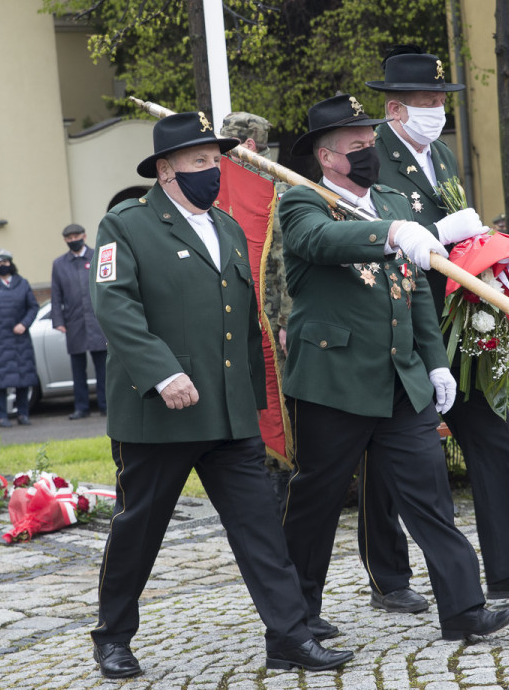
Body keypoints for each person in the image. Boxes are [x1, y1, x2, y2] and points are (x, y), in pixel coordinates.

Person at [87, 111, 351, 678]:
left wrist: (250, 396)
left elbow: (243, 321)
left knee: (261, 530)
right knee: (139, 530)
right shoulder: (126, 225)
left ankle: (289, 637)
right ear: (166, 170)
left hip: (228, 413)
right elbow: (115, 306)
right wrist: (162, 373)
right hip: (160, 413)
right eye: (200, 161)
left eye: (216, 160)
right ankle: (112, 636)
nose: (214, 170)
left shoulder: (226, 227)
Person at [278, 92, 509, 641]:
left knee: (430, 497)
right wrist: (388, 233)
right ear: (327, 157)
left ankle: (464, 609)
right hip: (334, 382)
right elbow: (319, 241)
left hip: (400, 381)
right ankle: (297, 615)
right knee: (315, 504)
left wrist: (435, 364)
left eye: (370, 141)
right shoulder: (303, 202)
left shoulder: (390, 199)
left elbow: (415, 294)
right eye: (357, 145)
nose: (370, 152)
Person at [361, 50, 509, 614]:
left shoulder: (443, 154)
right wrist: (438, 229)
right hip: (402, 321)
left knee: (491, 435)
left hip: (458, 315)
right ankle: (389, 579)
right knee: (390, 455)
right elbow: (370, 231)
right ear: (395, 109)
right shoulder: (371, 154)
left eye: (442, 100)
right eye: (428, 101)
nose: (439, 110)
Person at [219, 111, 293, 509]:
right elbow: (283, 263)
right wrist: (285, 319)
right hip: (263, 319)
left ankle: (267, 486)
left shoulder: (207, 188)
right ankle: (274, 486)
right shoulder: (271, 189)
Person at [0, 248, 39, 427]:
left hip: (20, 340)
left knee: (23, 379)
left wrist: (24, 324)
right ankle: (2, 416)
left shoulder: (22, 283)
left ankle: (23, 414)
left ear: (11, 263)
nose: (2, 266)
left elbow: (33, 307)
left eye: (5, 262)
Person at [51, 223, 108, 420]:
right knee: (77, 370)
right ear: (65, 240)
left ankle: (106, 406)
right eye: (69, 238)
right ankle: (81, 408)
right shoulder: (59, 264)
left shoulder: (97, 256)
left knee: (104, 368)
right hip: (74, 322)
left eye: (76, 236)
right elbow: (56, 295)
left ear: (84, 236)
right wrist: (58, 320)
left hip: (97, 322)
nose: (73, 240)